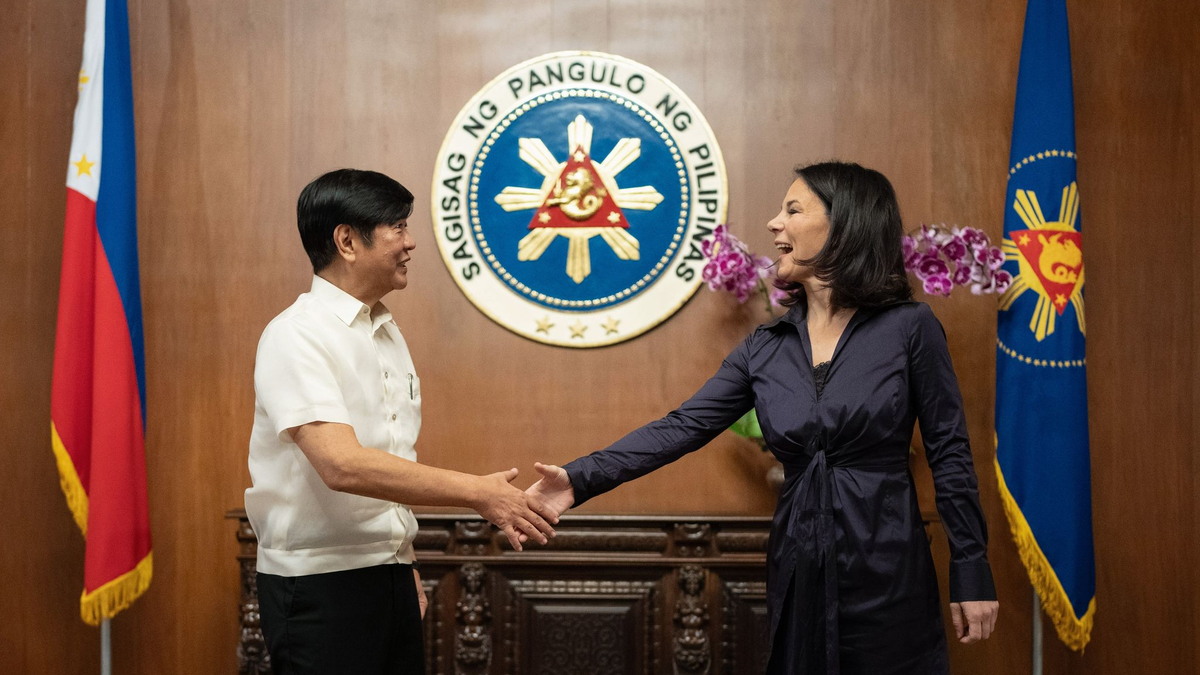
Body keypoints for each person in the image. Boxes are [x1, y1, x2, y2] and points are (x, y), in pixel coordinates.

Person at [527, 161, 1000, 674]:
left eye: (792, 210)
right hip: (798, 565)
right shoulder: (765, 346)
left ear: (845, 225)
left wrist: (970, 568)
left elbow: (949, 453)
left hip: (890, 568)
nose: (774, 224)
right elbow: (682, 426)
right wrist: (578, 479)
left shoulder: (911, 327)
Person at [246, 169, 558, 675]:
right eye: (397, 227)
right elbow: (341, 465)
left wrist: (401, 560)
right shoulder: (295, 336)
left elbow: (391, 461)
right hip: (318, 588)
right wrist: (479, 492)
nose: (411, 243)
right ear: (347, 240)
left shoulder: (386, 332)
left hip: (387, 576)